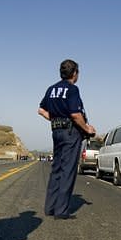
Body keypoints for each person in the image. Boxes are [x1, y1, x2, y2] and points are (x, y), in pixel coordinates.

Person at [38, 59, 95, 219]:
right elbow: (75, 115)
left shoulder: (51, 89)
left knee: (56, 168)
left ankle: (50, 207)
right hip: (71, 133)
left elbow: (41, 110)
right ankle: (61, 211)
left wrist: (56, 119)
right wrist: (87, 128)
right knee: (68, 170)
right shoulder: (72, 89)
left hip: (56, 131)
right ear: (75, 73)